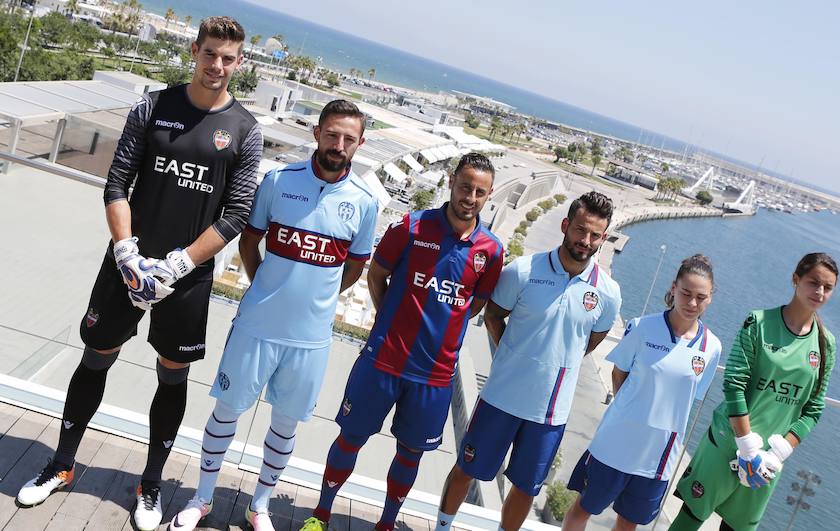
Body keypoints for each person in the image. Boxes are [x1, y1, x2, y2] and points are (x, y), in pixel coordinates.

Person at [15, 16, 262, 531]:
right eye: (210, 53)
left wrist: (176, 265)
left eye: (228, 57)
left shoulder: (245, 131)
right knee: (96, 358)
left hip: (185, 279)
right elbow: (117, 182)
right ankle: (61, 463)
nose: (217, 65)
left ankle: (150, 482)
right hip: (126, 268)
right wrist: (127, 253)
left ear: (239, 63)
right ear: (195, 51)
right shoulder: (153, 105)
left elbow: (236, 215)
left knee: (172, 375)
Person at [167, 100, 378, 531]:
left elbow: (355, 267)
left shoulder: (365, 202)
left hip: (311, 338)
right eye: (332, 134)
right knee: (227, 411)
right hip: (257, 325)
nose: (339, 145)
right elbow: (249, 241)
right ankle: (202, 498)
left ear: (360, 144)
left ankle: (258, 506)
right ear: (317, 133)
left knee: (284, 426)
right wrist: (267, 284)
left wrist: (316, 297)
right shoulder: (278, 182)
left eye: (348, 139)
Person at [299, 153, 504, 531]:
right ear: (451, 183)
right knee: (351, 439)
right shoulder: (411, 226)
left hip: (434, 377)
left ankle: (386, 524)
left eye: (479, 192)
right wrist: (387, 320)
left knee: (410, 455)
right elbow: (377, 275)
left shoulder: (491, 251)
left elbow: (474, 306)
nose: (470, 197)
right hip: (383, 361)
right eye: (464, 187)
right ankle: (321, 515)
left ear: (487, 197)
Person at [434, 191, 622, 531]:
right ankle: (442, 526)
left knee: (525, 487)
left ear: (604, 238)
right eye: (580, 230)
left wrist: (559, 359)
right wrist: (514, 352)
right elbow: (493, 314)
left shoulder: (608, 293)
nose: (586, 240)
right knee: (466, 469)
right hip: (500, 398)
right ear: (565, 225)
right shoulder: (523, 270)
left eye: (595, 235)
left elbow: (590, 341)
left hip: (550, 413)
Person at [669, 253, 838, 531]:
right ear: (796, 280)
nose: (819, 292)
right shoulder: (758, 322)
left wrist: (777, 453)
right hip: (728, 444)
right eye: (813, 282)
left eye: (828, 287)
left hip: (767, 462)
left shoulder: (826, 344)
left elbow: (813, 409)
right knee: (688, 521)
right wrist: (747, 446)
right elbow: (734, 384)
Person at [562, 255, 722, 531]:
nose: (692, 303)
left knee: (628, 524)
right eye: (686, 293)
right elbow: (618, 373)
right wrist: (631, 410)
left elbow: (689, 399)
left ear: (710, 298)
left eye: (700, 297)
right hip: (615, 444)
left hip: (658, 457)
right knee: (583, 507)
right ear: (673, 288)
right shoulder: (641, 327)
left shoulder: (712, 347)